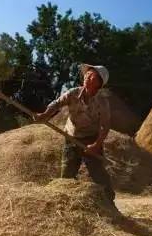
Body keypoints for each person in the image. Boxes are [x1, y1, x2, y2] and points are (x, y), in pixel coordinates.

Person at [34, 64, 115, 201]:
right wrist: (45, 114)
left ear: (99, 83)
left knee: (99, 176)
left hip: (91, 140)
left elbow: (104, 126)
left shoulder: (102, 102)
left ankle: (109, 203)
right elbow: (57, 103)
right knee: (66, 177)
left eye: (91, 76)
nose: (86, 77)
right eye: (86, 75)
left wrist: (96, 145)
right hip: (71, 138)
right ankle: (63, 204)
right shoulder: (73, 93)